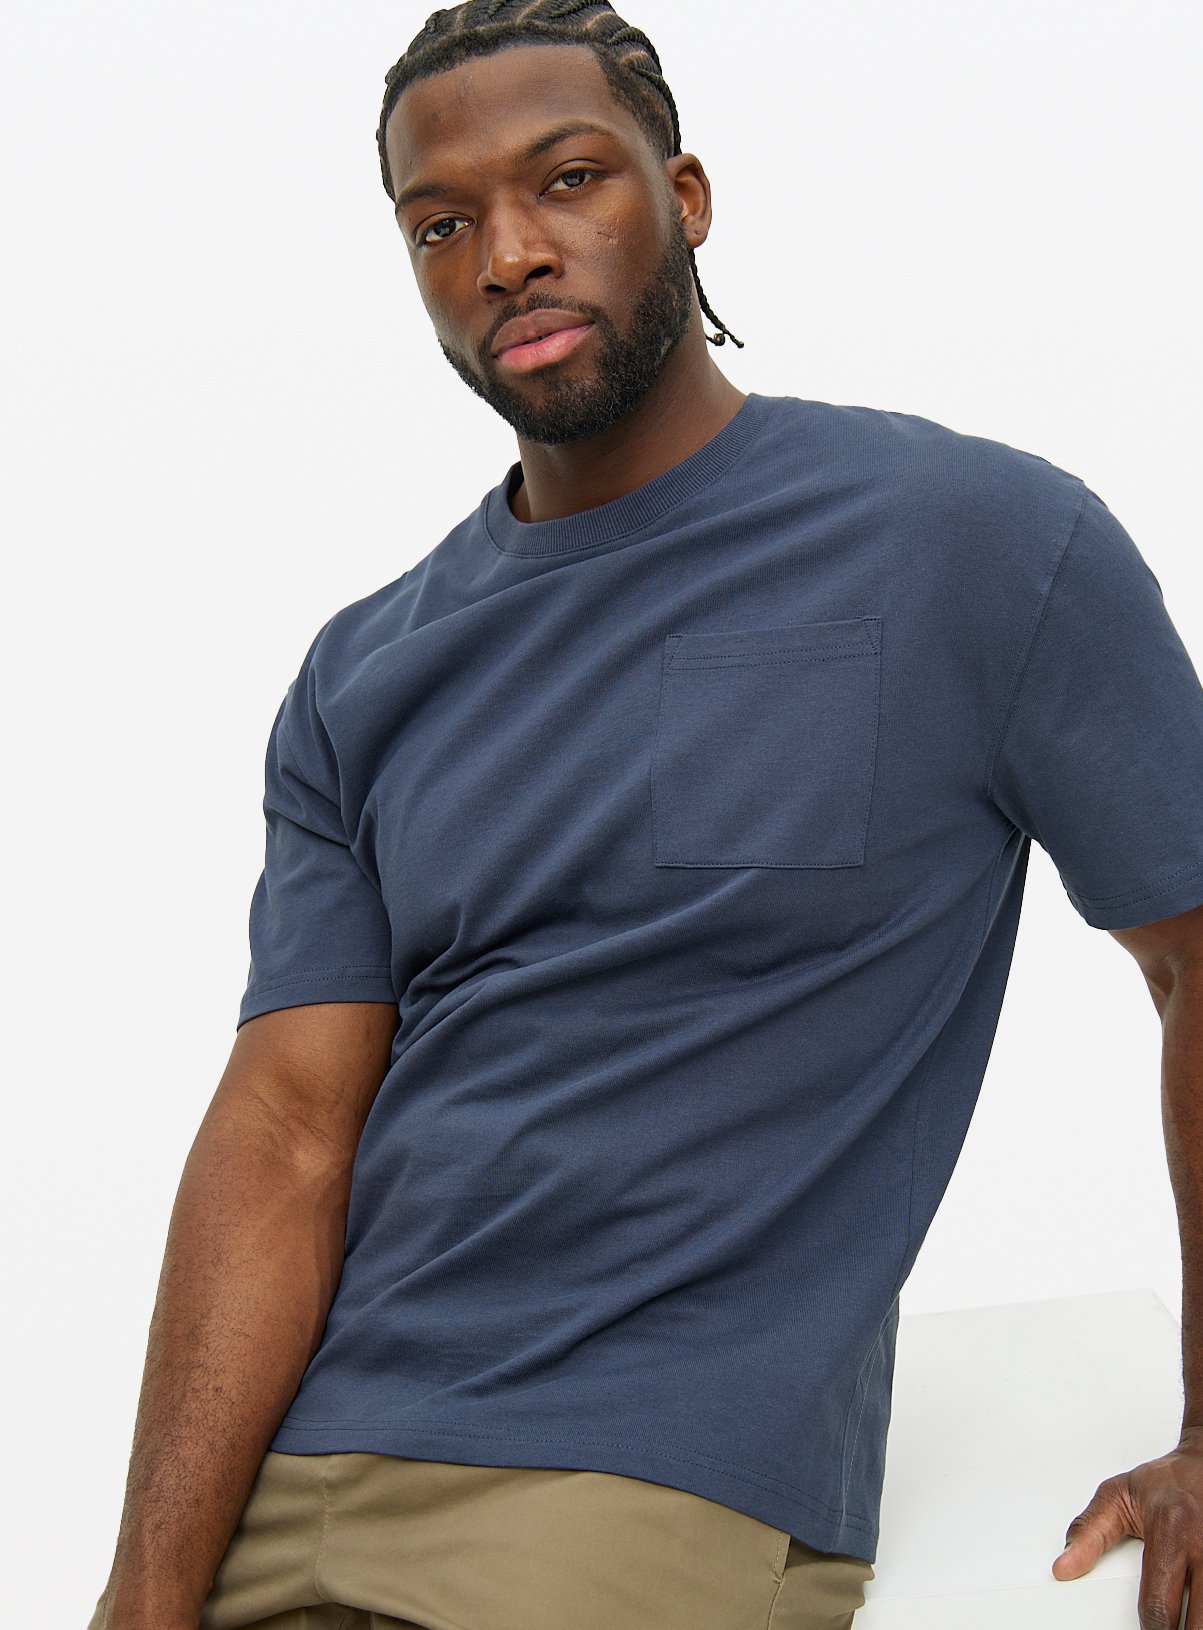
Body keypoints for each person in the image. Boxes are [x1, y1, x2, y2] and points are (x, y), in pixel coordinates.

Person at [88, 3, 1203, 1628]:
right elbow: (285, 1135)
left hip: (629, 1497)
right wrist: (144, 1587)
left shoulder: (977, 547)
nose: (508, 256)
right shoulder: (361, 673)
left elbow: (1194, 954)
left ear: (684, 197)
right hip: (291, 1481)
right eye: (441, 223)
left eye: (568, 180)